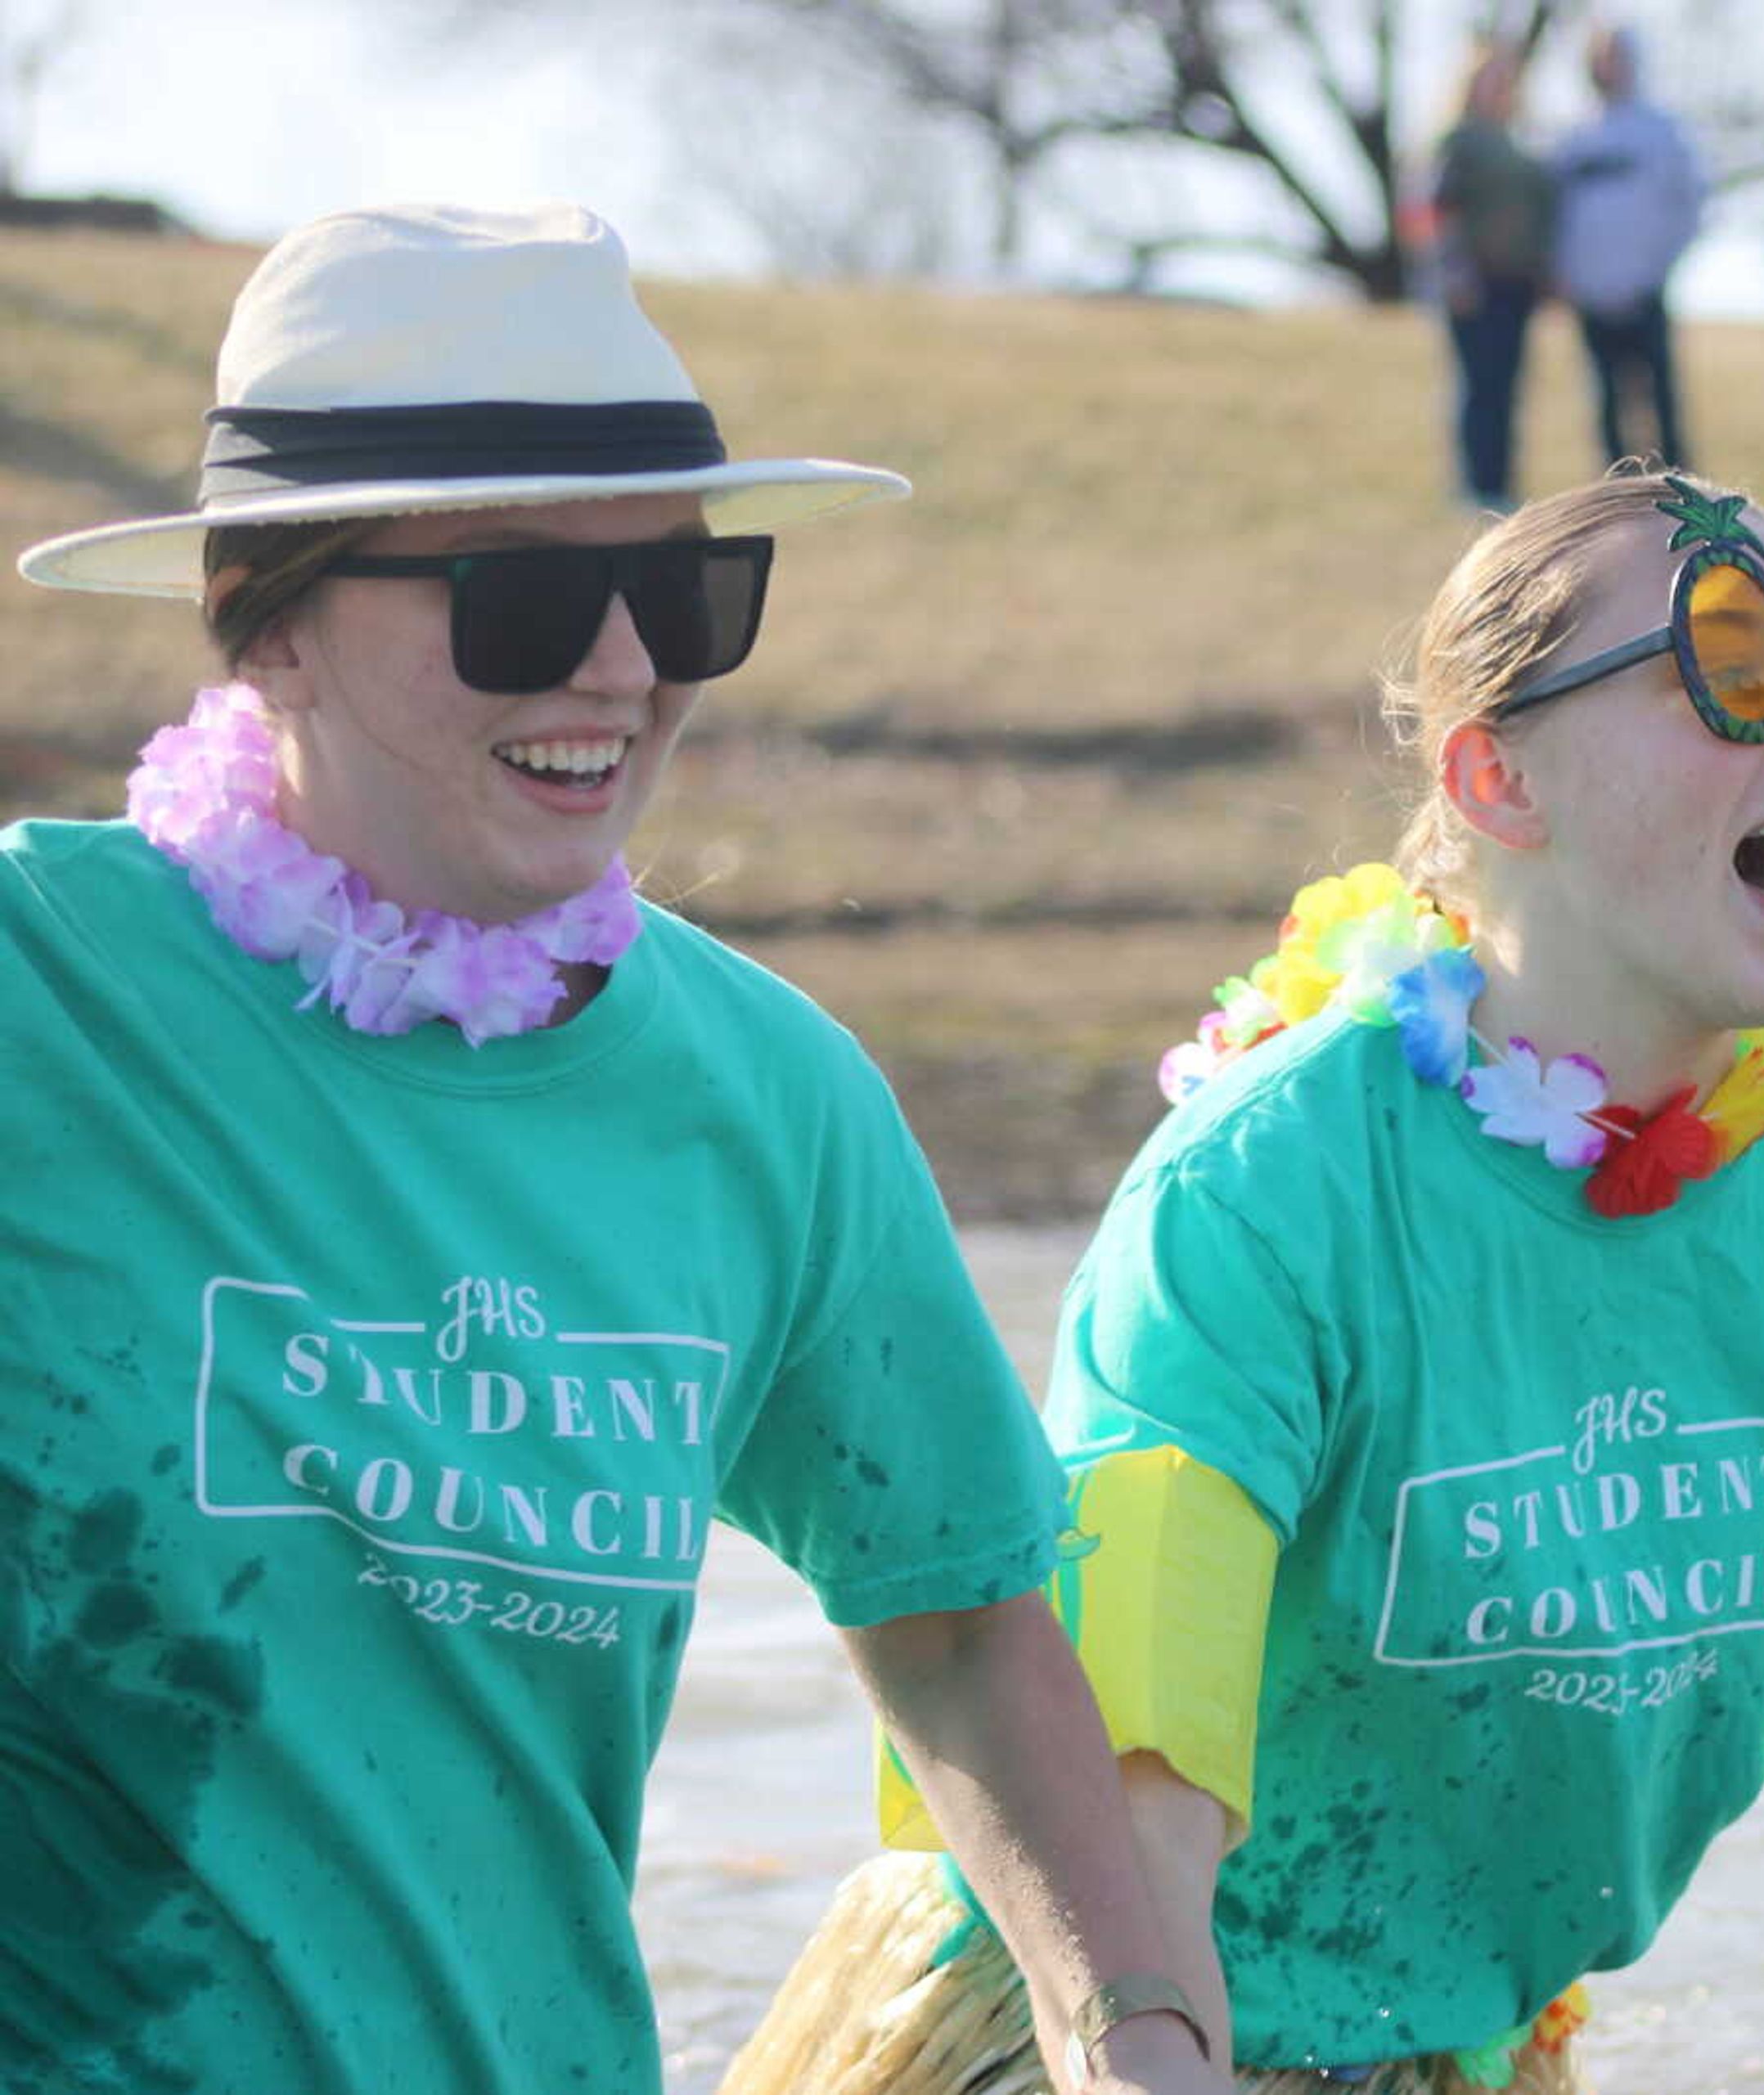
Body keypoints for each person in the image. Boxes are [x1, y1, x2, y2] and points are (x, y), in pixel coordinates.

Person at [731, 470, 1764, 2094]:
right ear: (1497, 779)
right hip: (1096, 2029)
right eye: (1730, 664)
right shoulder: (1274, 1190)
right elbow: (1133, 1790)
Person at [2, 202, 1229, 2095]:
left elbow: (963, 1616)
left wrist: (1127, 2022)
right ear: (275, 623)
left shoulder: (768, 1095)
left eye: (677, 594)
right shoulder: (39, 994)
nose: (613, 670)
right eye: (514, 600)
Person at [1550, 25, 1703, 470]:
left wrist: (1656, 268)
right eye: (1601, 57)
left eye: (1617, 57)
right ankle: (1616, 493)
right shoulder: (1573, 138)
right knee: (1604, 400)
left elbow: (1687, 206)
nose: (1609, 67)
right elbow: (1556, 215)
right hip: (1589, 296)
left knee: (1659, 396)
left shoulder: (1661, 132)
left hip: (1644, 289)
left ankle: (1681, 490)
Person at [1423, 37, 1555, 512]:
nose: (1498, 89)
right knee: (1477, 386)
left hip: (1515, 285)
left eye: (1504, 80)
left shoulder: (1520, 146)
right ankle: (1474, 486)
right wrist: (1452, 272)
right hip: (1472, 283)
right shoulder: (1456, 142)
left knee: (1508, 385)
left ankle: (1502, 485)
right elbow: (1436, 210)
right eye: (1489, 80)